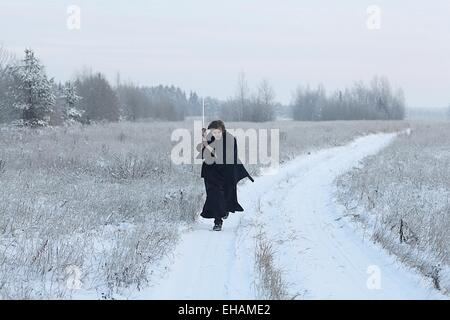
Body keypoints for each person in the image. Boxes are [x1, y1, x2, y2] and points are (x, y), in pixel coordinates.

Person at [197, 120, 254, 231]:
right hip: (210, 172)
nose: (215, 134)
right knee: (213, 196)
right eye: (212, 132)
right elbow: (204, 154)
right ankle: (218, 222)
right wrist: (204, 139)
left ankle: (225, 210)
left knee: (224, 195)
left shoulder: (230, 139)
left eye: (217, 132)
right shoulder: (210, 137)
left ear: (222, 130)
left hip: (226, 172)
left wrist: (206, 145)